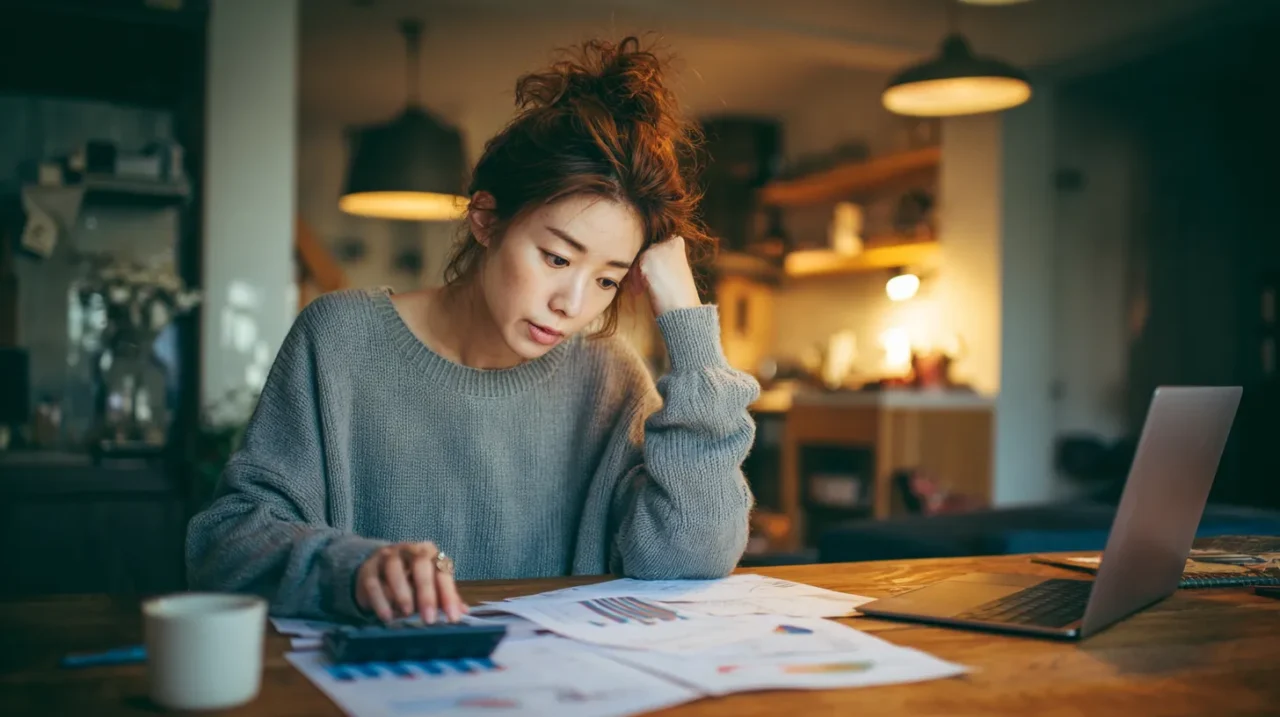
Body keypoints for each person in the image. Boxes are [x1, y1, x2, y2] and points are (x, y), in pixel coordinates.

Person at [185, 36, 760, 624]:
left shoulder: (608, 376)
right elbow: (227, 542)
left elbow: (694, 553)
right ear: (486, 220)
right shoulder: (340, 340)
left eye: (608, 280)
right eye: (557, 259)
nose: (572, 303)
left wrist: (687, 322)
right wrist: (352, 568)